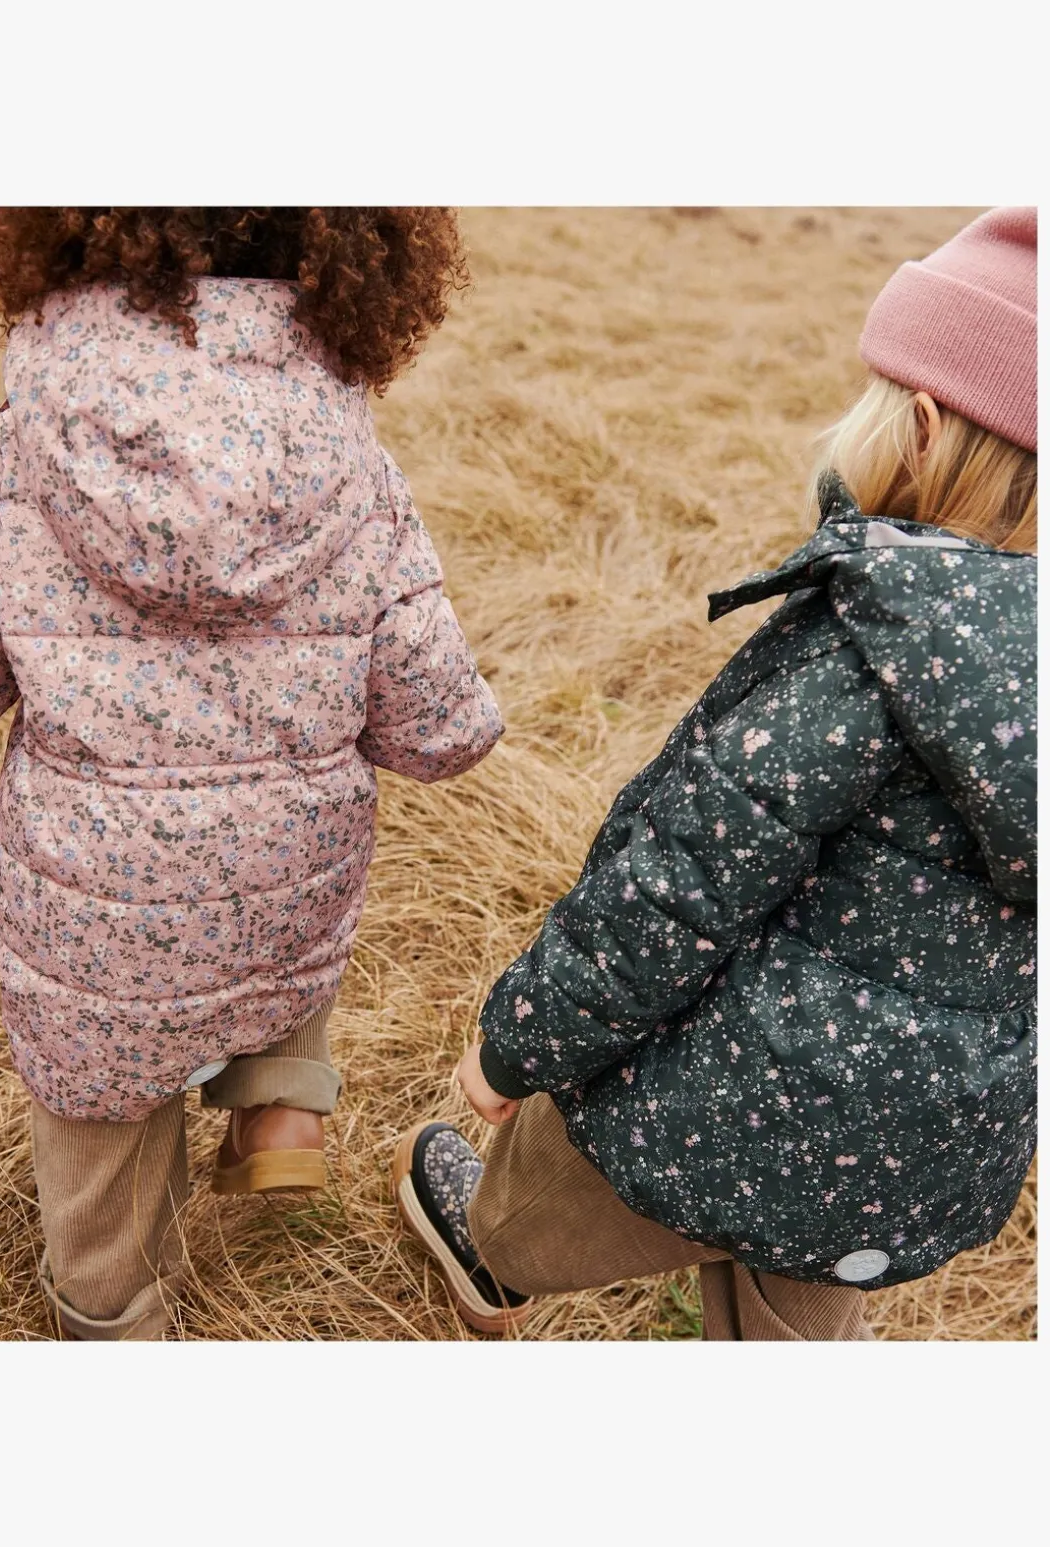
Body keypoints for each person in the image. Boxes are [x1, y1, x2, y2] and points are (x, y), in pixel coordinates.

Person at [394, 206, 1037, 1340]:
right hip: (917, 1146)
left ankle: (485, 1252)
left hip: (731, 1102)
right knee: (802, 1299)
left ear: (924, 428)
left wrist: (516, 1046)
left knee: (538, 1194)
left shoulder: (873, 645)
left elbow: (675, 887)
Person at [0, 207, 502, 1340]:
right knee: (275, 930)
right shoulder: (348, 460)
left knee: (102, 1116)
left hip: (101, 915)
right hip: (282, 875)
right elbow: (435, 722)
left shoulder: (23, 452)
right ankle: (282, 1109)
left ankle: (115, 1309)